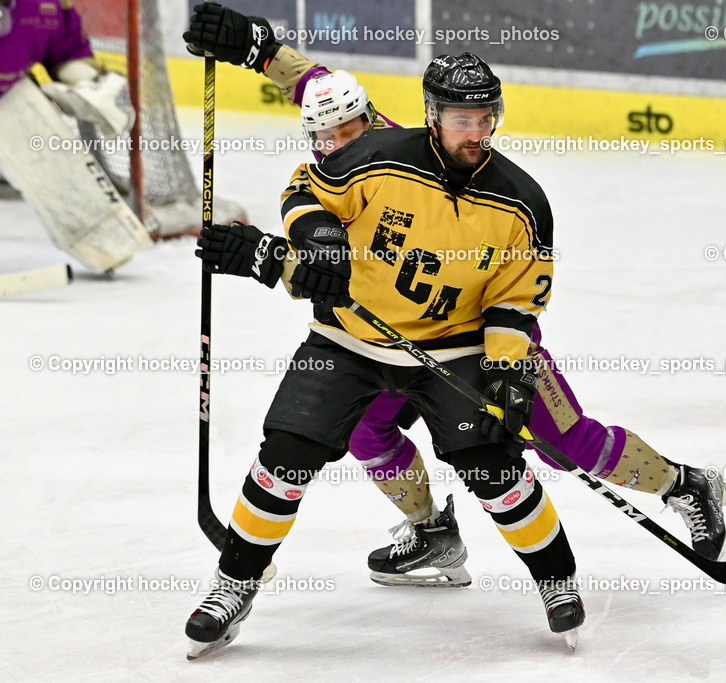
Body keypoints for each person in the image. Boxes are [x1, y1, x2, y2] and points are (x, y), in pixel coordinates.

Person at [185, 3, 726, 583]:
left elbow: (511, 289)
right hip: (388, 339)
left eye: (352, 131)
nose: (340, 143)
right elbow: (316, 95)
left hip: (480, 341)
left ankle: (687, 484)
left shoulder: (399, 150)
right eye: (327, 135)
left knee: (564, 442)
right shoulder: (338, 170)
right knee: (361, 428)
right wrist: (255, 48)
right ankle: (432, 532)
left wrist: (264, 53)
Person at [185, 52, 586, 660]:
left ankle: (557, 581)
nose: (474, 132)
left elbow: (514, 299)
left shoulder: (522, 201)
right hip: (349, 340)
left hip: (455, 350)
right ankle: (233, 586)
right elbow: (305, 189)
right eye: (460, 118)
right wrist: (309, 238)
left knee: (493, 467)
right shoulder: (379, 156)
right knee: (287, 455)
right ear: (432, 115)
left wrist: (507, 370)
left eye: (484, 118)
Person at [0, 0, 152, 273]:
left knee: (46, 144)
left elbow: (67, 50)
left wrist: (88, 85)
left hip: (7, 97)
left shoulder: (44, 7)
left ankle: (103, 241)